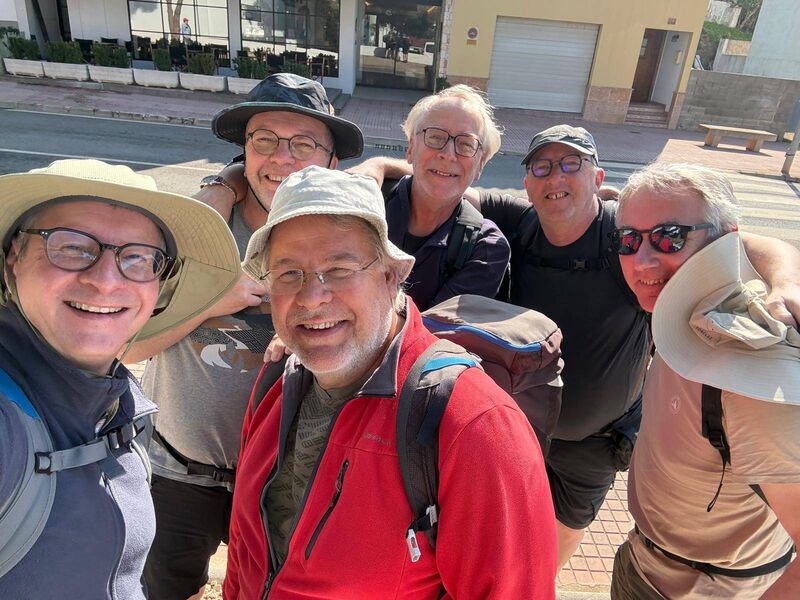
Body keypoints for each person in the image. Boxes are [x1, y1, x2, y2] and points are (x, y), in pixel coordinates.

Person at [361, 123, 800, 569]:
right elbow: (444, 183)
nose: (556, 178)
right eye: (543, 166)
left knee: (548, 558)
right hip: (518, 427)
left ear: (598, 178)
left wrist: (785, 280)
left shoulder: (626, 238)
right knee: (501, 544)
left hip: (590, 446)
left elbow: (737, 240)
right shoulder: (518, 219)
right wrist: (378, 164)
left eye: (572, 164)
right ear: (527, 182)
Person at [225, 165, 557, 599]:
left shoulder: (474, 425)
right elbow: (245, 553)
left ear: (390, 276)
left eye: (340, 269)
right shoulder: (277, 378)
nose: (311, 296)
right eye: (288, 274)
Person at [126, 73, 364, 600]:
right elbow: (130, 346)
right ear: (244, 151)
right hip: (176, 473)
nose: (281, 158)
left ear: (330, 161)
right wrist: (212, 299)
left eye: (303, 143)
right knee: (166, 587)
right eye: (264, 141)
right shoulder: (194, 232)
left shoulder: (342, 241)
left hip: (281, 477)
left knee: (268, 587)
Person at [0, 159, 240, 598]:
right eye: (71, 247)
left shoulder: (118, 403)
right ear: (14, 255)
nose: (105, 281)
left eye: (138, 257)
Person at [610, 163, 800, 599]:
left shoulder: (751, 376)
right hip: (643, 560)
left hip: (705, 588)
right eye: (627, 240)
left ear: (722, 241)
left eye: (669, 236)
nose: (642, 260)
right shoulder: (682, 310)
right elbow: (749, 242)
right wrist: (786, 275)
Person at [384, 84, 509, 310]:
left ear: (480, 165)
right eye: (435, 137)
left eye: (466, 144)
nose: (448, 154)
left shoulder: (486, 247)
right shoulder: (368, 204)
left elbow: (434, 334)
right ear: (411, 148)